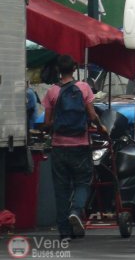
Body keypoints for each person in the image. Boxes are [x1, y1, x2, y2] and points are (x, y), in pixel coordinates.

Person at [43, 54, 107, 240]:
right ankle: (76, 210)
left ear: (58, 70)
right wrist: (101, 126)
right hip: (80, 145)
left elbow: (47, 123)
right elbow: (92, 115)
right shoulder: (84, 87)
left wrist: (57, 123)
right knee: (82, 182)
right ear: (74, 69)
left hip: (59, 147)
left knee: (61, 189)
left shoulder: (52, 92)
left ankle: (64, 233)